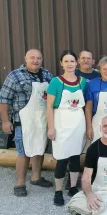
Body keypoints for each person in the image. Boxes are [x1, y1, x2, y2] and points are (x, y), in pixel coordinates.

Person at [0, 49, 53, 197]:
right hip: (22, 121)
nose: (36, 60)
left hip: (42, 120)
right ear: (25, 58)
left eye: (38, 58)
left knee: (39, 148)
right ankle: (20, 183)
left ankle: (36, 177)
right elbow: (3, 100)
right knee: (23, 153)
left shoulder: (47, 75)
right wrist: (5, 121)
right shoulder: (14, 75)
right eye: (32, 58)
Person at [46, 50, 87, 206]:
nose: (70, 64)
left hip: (78, 122)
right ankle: (58, 191)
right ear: (61, 63)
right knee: (62, 158)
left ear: (77, 63)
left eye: (72, 61)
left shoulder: (82, 81)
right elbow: (49, 106)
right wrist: (51, 127)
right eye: (66, 61)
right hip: (61, 122)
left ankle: (72, 188)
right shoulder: (55, 82)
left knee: (76, 156)